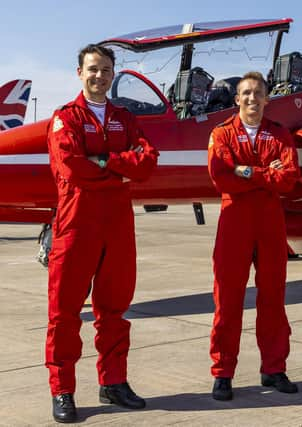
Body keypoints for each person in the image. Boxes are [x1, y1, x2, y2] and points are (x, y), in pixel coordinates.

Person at [46, 44, 158, 423]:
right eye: (93, 69)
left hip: (117, 227)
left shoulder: (124, 118)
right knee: (64, 314)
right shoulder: (66, 118)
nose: (99, 76)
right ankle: (63, 390)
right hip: (76, 226)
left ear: (113, 74)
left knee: (114, 310)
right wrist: (119, 169)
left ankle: (113, 382)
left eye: (106, 70)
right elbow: (72, 166)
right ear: (80, 72)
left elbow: (147, 161)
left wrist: (103, 161)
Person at [207, 71, 300, 401]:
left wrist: (245, 170)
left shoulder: (279, 134)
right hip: (234, 221)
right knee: (228, 301)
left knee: (273, 299)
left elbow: (289, 178)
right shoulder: (221, 134)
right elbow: (221, 176)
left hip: (270, 222)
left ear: (266, 99)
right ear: (237, 99)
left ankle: (274, 369)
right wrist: (265, 172)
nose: (251, 99)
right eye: (245, 93)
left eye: (257, 93)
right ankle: (223, 373)